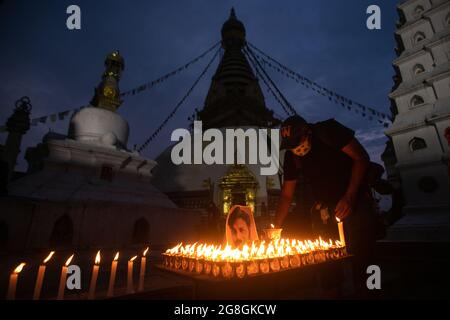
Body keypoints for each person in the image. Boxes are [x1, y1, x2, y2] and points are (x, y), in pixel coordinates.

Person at [275, 115, 379, 296]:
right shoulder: (292, 157)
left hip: (356, 200)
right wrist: (275, 228)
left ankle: (372, 291)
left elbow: (361, 158)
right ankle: (332, 292)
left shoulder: (328, 131)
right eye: (291, 147)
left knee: (365, 254)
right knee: (326, 260)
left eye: (298, 143)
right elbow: (286, 195)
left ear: (307, 132)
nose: (297, 149)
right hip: (325, 212)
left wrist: (350, 196)